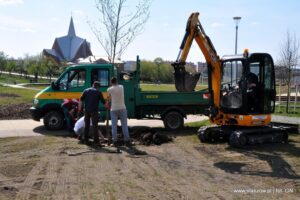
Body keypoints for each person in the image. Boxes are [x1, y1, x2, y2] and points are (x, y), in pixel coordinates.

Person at [79, 81, 106, 145]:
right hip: (94, 111)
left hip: (86, 111)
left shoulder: (86, 90)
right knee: (95, 126)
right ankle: (96, 141)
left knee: (87, 125)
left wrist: (80, 109)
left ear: (93, 85)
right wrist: (109, 107)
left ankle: (86, 140)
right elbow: (104, 102)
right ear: (98, 87)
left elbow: (81, 99)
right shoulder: (98, 92)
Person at [107, 77, 131, 146]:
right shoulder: (121, 87)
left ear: (111, 82)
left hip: (113, 109)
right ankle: (127, 141)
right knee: (124, 125)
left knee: (114, 126)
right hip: (122, 108)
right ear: (117, 81)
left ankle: (115, 141)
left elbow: (108, 99)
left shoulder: (109, 89)